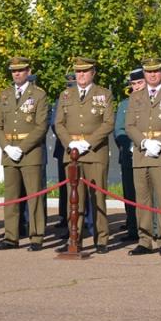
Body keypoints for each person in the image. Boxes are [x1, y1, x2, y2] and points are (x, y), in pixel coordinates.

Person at [54, 56, 115, 254]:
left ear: (93, 73)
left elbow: (108, 123)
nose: (81, 75)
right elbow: (59, 123)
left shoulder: (104, 94)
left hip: (95, 152)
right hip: (72, 153)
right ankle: (75, 237)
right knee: (74, 199)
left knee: (97, 197)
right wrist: (69, 143)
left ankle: (101, 238)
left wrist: (87, 143)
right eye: (78, 71)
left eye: (85, 71)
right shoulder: (65, 95)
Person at [124, 57, 161, 256]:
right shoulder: (135, 96)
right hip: (142, 153)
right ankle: (145, 240)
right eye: (149, 72)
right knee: (142, 200)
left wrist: (160, 144)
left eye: (156, 71)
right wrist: (143, 142)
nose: (152, 75)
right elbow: (130, 125)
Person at [0, 57, 49, 251]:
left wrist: (22, 147)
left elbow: (41, 126)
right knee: (11, 197)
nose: (16, 73)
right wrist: (6, 147)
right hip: (9, 151)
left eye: (20, 70)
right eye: (13, 70)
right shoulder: (5, 95)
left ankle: (36, 236)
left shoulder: (39, 95)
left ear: (28, 71)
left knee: (34, 196)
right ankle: (11, 237)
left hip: (30, 152)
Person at [113, 68, 144, 241]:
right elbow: (119, 130)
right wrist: (129, 145)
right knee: (130, 194)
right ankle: (133, 228)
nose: (137, 86)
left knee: (149, 194)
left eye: (140, 82)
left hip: (148, 155)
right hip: (129, 155)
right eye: (134, 83)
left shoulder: (152, 103)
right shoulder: (125, 104)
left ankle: (152, 229)